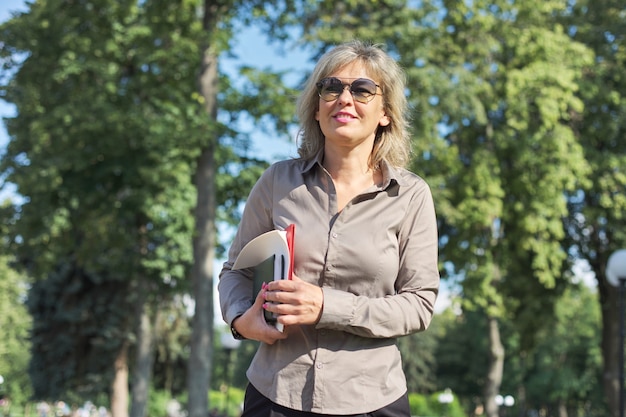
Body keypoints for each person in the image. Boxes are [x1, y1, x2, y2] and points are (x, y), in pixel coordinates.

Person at [218, 40, 439, 417]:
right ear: (317, 108)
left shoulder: (412, 195)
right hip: (275, 395)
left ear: (385, 112)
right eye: (331, 88)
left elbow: (418, 304)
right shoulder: (276, 182)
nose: (344, 98)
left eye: (362, 89)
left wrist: (326, 306)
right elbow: (235, 272)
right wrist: (242, 319)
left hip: (373, 400)